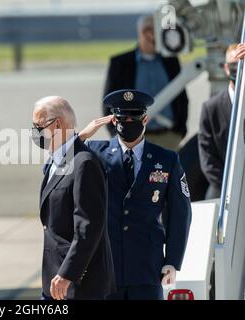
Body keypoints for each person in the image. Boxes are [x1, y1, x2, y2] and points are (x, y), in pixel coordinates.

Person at [79, 89, 192, 300]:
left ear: (145, 119)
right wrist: (81, 136)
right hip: (106, 267)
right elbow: (54, 169)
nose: (128, 123)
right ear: (114, 121)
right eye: (123, 118)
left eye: (134, 118)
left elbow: (180, 213)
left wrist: (173, 261)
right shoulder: (95, 153)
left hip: (147, 267)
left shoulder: (166, 159)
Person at [31, 96, 115, 300]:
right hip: (54, 281)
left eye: (38, 125)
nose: (34, 132)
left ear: (57, 124)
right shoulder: (56, 162)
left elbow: (87, 227)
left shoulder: (84, 164)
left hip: (77, 284)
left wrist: (67, 274)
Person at [103, 15, 189, 151]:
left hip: (169, 137)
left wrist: (179, 131)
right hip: (134, 140)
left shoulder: (171, 61)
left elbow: (181, 98)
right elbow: (109, 103)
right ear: (146, 32)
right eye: (160, 32)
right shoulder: (120, 63)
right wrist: (120, 135)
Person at [198, 43, 245, 199]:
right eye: (233, 65)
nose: (237, 69)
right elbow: (207, 158)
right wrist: (230, 188)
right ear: (225, 68)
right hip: (223, 189)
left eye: (242, 64)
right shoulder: (211, 108)